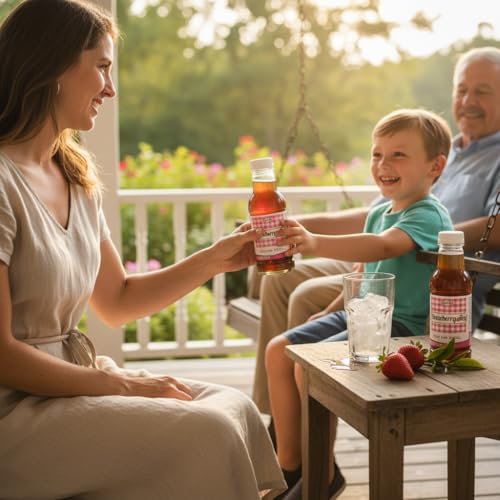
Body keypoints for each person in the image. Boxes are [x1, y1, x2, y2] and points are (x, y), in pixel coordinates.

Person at [0, 1, 286, 499]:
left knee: (231, 406)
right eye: (103, 68)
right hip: (15, 406)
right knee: (208, 433)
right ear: (53, 65)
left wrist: (217, 258)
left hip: (74, 380)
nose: (111, 89)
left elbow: (118, 300)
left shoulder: (74, 176)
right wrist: (127, 386)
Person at [252, 46, 500, 417]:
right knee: (277, 281)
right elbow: (374, 216)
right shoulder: (444, 148)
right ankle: (282, 421)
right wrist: (295, 224)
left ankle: (307, 435)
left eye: (483, 91)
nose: (468, 100)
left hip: (416, 274)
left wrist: (426, 239)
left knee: (305, 294)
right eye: (462, 89)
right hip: (386, 258)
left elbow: (401, 233)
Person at [265, 108, 454, 498]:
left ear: (435, 166)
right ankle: (288, 464)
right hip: (363, 318)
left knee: (308, 369)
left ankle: (318, 476)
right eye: (377, 154)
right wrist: (333, 306)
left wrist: (315, 241)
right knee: (278, 350)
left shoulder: (428, 215)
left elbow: (385, 246)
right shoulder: (379, 211)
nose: (383, 164)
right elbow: (365, 268)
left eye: (398, 154)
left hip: (401, 330)